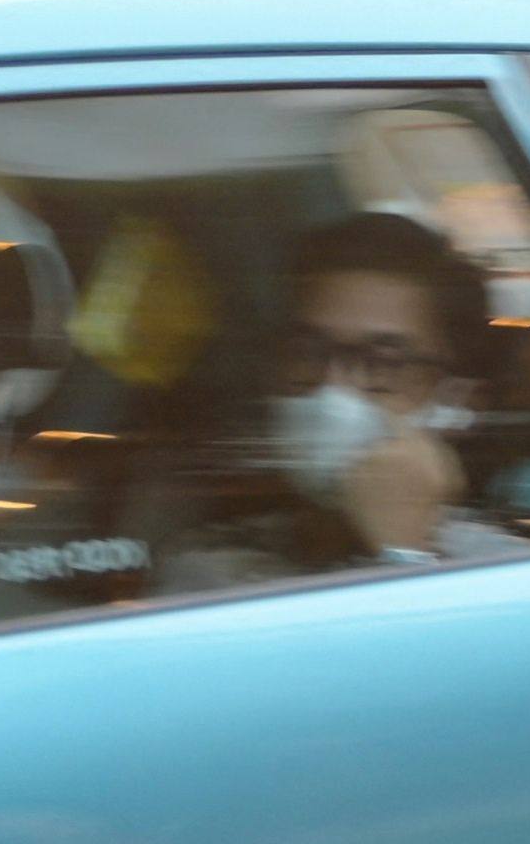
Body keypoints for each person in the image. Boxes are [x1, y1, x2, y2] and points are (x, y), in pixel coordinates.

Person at [160, 210, 507, 592]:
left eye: (384, 363)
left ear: (458, 401)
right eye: (308, 352)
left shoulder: (514, 579)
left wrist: (404, 555)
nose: (333, 388)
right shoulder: (211, 572)